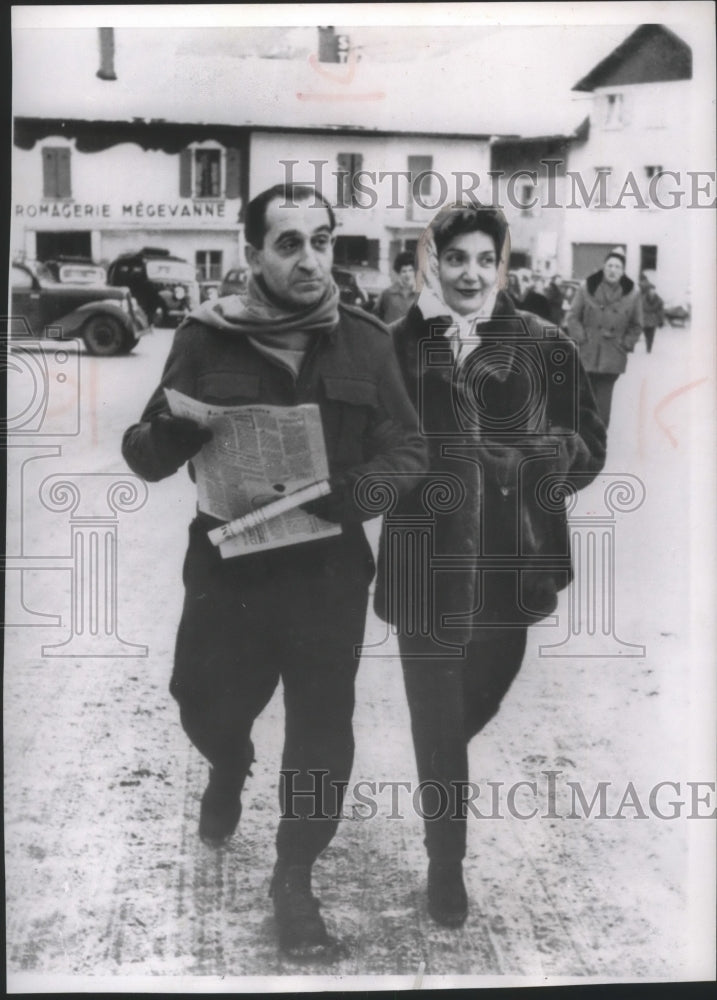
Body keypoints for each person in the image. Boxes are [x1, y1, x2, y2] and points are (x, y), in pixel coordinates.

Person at [122, 183, 427, 959]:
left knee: (321, 728)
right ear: (252, 252)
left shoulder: (365, 340)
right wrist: (170, 437)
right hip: (229, 568)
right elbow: (144, 452)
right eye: (289, 243)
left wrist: (360, 491)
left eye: (321, 241)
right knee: (201, 702)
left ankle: (295, 876)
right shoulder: (204, 337)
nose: (310, 259)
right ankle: (228, 763)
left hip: (326, 571)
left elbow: (408, 447)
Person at [374, 203, 606, 928]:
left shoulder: (544, 342)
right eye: (455, 258)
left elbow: (589, 446)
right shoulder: (397, 345)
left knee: (475, 703)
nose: (469, 274)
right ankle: (446, 864)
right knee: (436, 716)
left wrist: (537, 462)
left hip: (511, 567)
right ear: (431, 263)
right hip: (424, 563)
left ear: (502, 266)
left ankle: (438, 766)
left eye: (485, 259)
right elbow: (369, 442)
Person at [565, 248, 643, 428]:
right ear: (603, 267)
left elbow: (637, 325)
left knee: (602, 407)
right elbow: (572, 317)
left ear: (623, 271)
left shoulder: (633, 293)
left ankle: (598, 439)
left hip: (613, 355)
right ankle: (583, 437)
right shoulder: (587, 287)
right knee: (584, 401)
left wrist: (625, 344)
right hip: (587, 353)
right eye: (610, 266)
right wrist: (581, 339)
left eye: (617, 267)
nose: (613, 270)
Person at [375, 250, 418, 323]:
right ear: (398, 273)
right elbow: (376, 317)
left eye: (411, 270)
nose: (408, 275)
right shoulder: (387, 294)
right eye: (404, 271)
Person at [639, 271, 665, 354]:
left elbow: (660, 311)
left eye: (653, 290)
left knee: (651, 334)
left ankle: (649, 347)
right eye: (650, 290)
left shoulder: (659, 300)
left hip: (652, 319)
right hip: (646, 319)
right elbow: (639, 309)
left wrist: (661, 321)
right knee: (647, 334)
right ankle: (648, 346)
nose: (652, 292)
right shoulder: (643, 299)